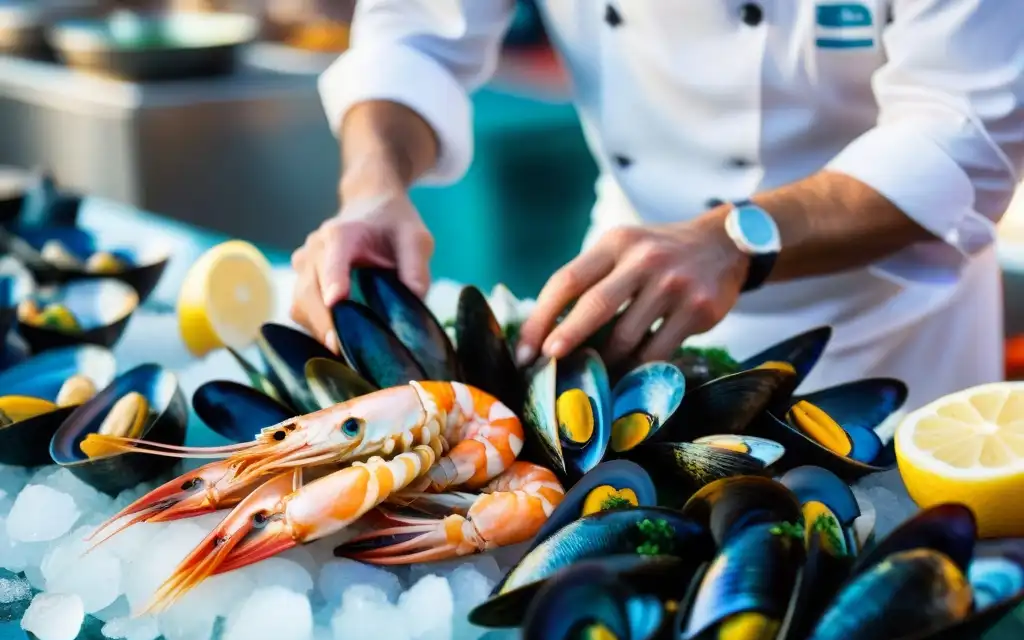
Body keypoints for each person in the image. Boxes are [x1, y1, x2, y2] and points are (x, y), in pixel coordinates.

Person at [290, 1, 1024, 409]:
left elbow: (963, 132)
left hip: (888, 329)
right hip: (627, 307)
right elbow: (414, 37)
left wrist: (735, 240)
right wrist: (374, 188)